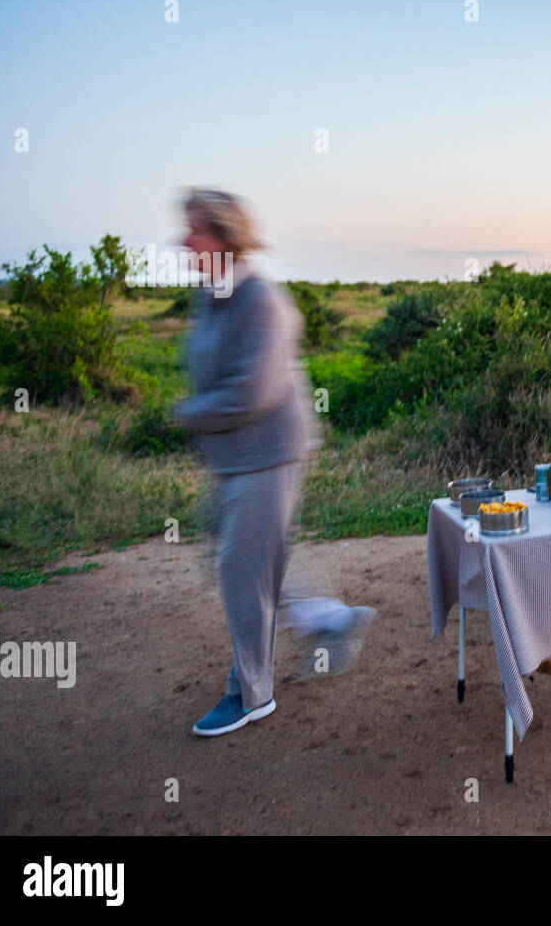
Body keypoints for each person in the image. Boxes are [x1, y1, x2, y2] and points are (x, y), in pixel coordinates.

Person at [173, 188, 373, 737]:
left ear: (224, 235)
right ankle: (331, 619)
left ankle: (250, 694)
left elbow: (250, 393)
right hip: (233, 459)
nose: (183, 239)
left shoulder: (262, 299)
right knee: (250, 564)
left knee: (243, 573)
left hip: (270, 455)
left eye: (194, 228)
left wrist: (186, 413)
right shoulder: (208, 295)